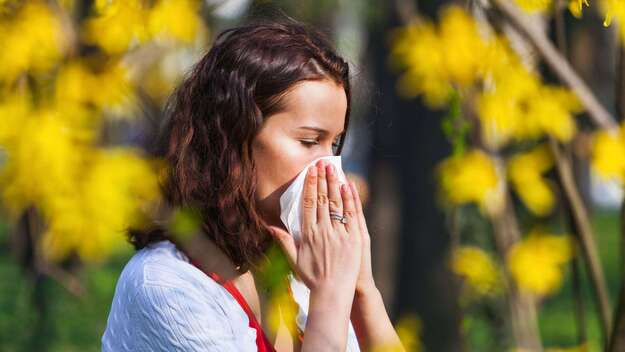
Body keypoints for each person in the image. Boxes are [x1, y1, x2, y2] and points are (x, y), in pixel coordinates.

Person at [101, 19, 403, 352]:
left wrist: (362, 291)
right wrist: (330, 298)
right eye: (308, 140)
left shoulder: (298, 271)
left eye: (333, 145)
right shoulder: (167, 286)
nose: (330, 169)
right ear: (233, 137)